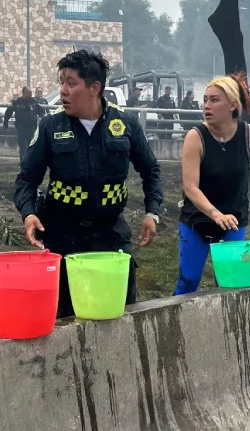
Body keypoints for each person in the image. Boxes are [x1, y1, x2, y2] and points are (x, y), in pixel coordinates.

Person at [14, 50, 162, 318]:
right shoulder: (50, 126)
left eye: (71, 83)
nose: (63, 91)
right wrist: (29, 214)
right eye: (61, 82)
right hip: (62, 237)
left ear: (95, 87)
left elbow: (151, 170)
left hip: (110, 236)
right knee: (65, 318)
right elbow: (26, 178)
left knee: (117, 314)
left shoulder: (125, 124)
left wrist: (152, 213)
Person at [175, 76, 250, 295]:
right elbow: (191, 187)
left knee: (230, 284)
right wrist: (215, 214)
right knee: (188, 281)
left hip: (234, 222)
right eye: (205, 100)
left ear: (233, 105)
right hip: (196, 222)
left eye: (215, 100)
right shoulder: (195, 137)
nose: (207, 106)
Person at [3, 86, 45, 162]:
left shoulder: (34, 102)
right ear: (24, 93)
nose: (31, 94)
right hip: (21, 128)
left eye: (31, 92)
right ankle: (24, 164)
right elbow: (9, 112)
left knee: (31, 147)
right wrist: (5, 122)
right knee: (23, 147)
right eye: (29, 93)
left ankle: (30, 164)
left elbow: (41, 111)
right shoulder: (17, 102)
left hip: (32, 128)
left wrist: (42, 118)